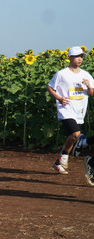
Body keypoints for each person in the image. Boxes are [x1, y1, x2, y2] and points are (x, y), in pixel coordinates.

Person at [47, 46, 94, 176]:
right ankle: (66, 156)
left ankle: (59, 161)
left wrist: (88, 86)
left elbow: (91, 93)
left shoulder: (86, 75)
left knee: (73, 137)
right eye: (77, 56)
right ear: (69, 58)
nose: (80, 59)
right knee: (75, 134)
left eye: (81, 57)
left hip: (79, 110)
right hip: (65, 108)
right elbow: (50, 87)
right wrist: (59, 98)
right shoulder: (62, 74)